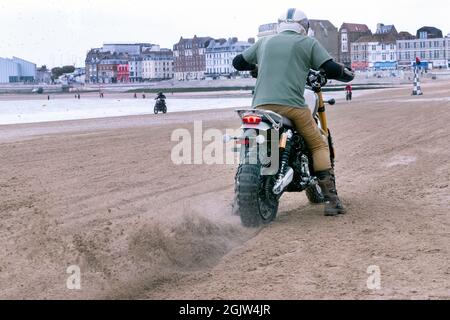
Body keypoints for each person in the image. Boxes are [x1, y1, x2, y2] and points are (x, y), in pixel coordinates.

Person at [232, 8, 354, 216]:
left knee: (251, 145)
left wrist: (257, 66)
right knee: (318, 143)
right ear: (303, 27)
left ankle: (238, 200)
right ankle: (332, 201)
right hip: (290, 106)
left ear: (280, 25)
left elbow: (238, 62)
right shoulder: (307, 43)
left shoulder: (264, 42)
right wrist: (346, 74)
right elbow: (331, 68)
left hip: (259, 107)